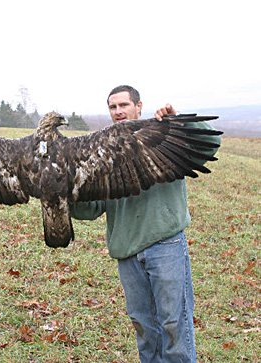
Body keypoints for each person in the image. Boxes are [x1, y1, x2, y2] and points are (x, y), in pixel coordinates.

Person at [71, 85, 221, 362]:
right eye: (113, 107)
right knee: (145, 329)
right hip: (127, 252)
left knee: (174, 325)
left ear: (138, 106)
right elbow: (92, 208)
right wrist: (62, 192)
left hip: (165, 246)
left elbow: (210, 143)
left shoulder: (162, 137)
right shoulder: (105, 156)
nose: (118, 112)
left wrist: (181, 123)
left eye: (123, 105)